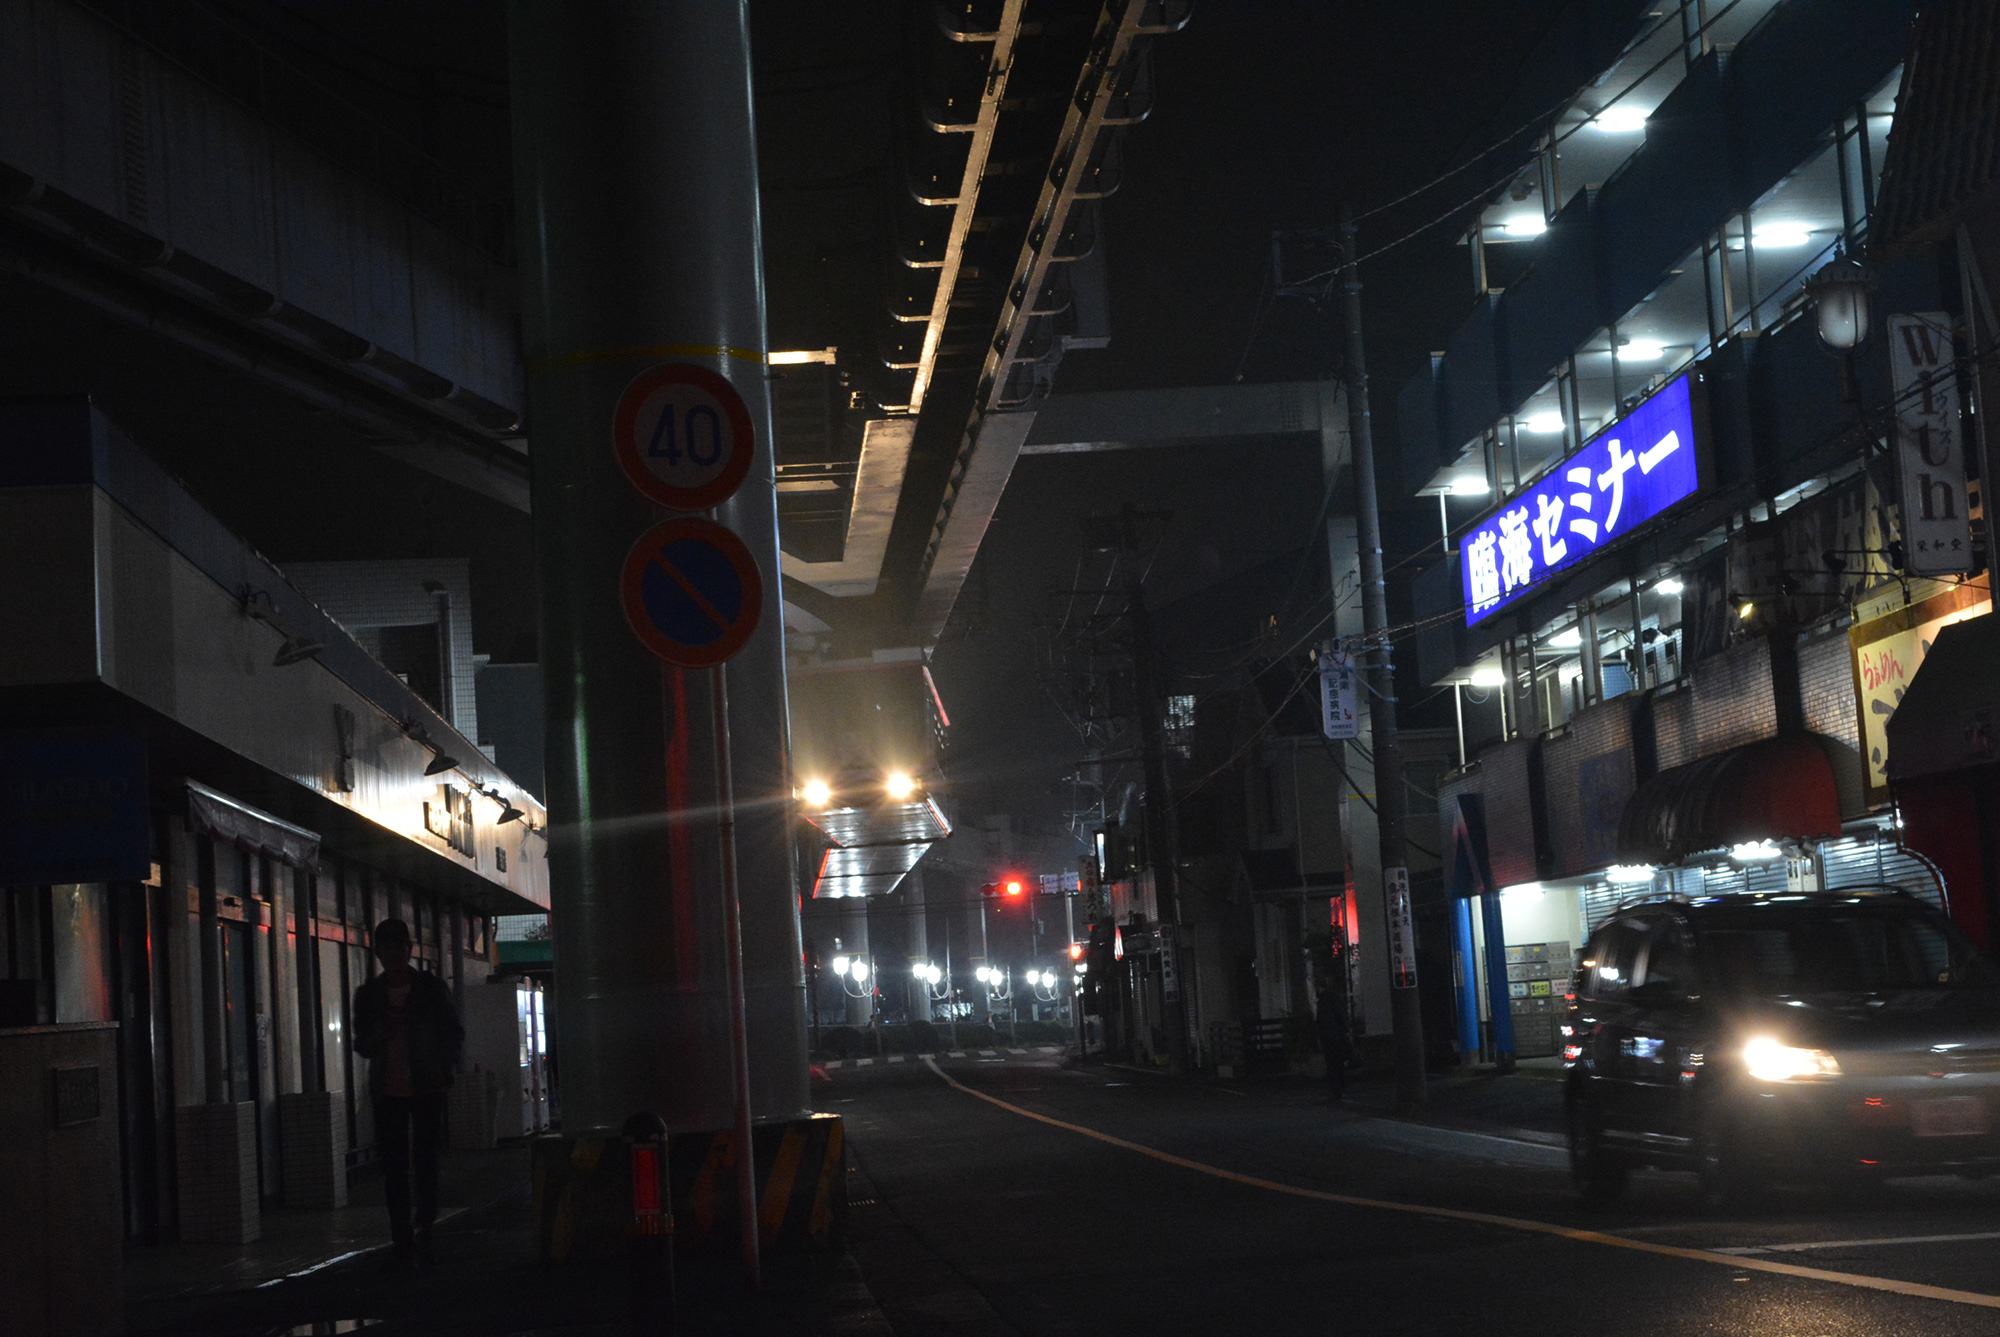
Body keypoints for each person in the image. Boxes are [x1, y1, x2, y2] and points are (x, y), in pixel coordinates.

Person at [352, 917, 464, 1269]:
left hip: (426, 1084)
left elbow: (453, 1032)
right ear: (380, 953)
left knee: (426, 1160)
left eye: (400, 947)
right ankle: (402, 1231)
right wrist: (378, 1039)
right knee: (396, 1166)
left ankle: (424, 1224)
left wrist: (444, 1070)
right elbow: (362, 1044)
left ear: (408, 949)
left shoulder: (429, 989)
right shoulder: (369, 995)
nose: (395, 954)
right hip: (388, 1088)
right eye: (388, 948)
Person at [1315, 982, 1352, 1102]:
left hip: (1328, 1037)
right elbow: (1340, 1015)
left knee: (1332, 1064)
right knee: (1338, 1063)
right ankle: (1340, 1089)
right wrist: (1345, 1031)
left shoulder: (1323, 1001)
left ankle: (1336, 1090)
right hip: (1336, 1036)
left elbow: (1321, 1021)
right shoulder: (1333, 999)